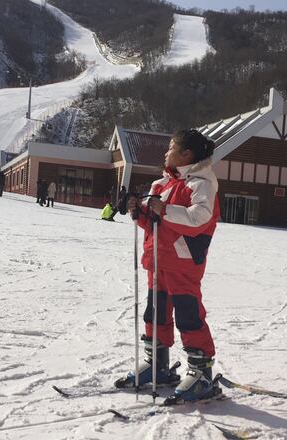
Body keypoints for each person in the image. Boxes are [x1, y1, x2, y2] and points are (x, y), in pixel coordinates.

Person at [116, 128, 221, 402]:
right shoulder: (161, 184)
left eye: (171, 148)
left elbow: (200, 218)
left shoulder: (201, 183)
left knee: (188, 314)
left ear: (186, 154)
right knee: (156, 312)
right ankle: (157, 363)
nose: (166, 153)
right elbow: (153, 223)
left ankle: (201, 372)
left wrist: (164, 209)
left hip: (183, 261)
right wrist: (138, 211)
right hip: (158, 259)